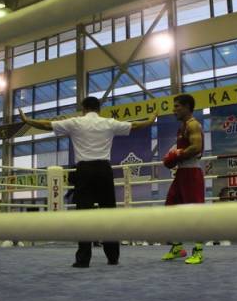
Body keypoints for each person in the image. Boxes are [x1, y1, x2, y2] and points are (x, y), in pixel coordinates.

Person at [19, 96, 156, 268]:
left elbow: (47, 125)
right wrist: (150, 120)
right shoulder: (109, 123)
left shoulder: (75, 122)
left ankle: (83, 260)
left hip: (84, 171)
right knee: (109, 214)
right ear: (99, 109)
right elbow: (134, 125)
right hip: (104, 170)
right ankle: (113, 257)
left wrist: (27, 120)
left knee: (83, 215)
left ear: (83, 109)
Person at [161, 94, 205, 264]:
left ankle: (198, 251)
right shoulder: (182, 127)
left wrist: (177, 155)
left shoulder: (193, 125)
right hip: (181, 174)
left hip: (192, 173)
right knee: (170, 209)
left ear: (187, 107)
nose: (174, 110)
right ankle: (178, 247)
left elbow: (196, 147)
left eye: (177, 106)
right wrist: (174, 156)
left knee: (195, 213)